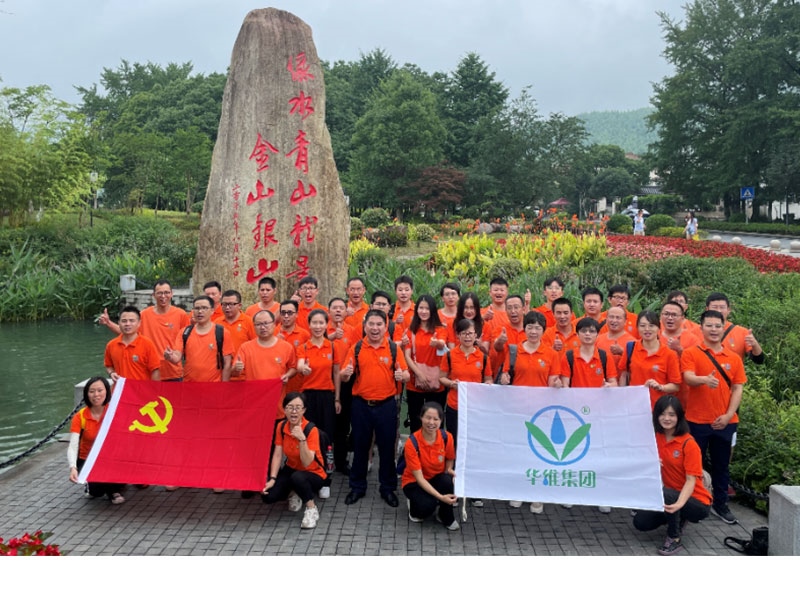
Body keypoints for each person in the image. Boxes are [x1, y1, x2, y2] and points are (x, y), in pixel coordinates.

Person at [681, 309, 746, 525]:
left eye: (718, 326)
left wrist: (728, 415)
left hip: (725, 422)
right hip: (696, 420)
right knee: (692, 466)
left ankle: (720, 504)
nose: (714, 329)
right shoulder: (691, 353)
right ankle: (693, 503)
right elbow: (688, 377)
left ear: (723, 327)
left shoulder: (733, 358)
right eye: (709, 325)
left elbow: (737, 388)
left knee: (721, 466)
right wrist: (704, 380)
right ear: (701, 328)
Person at [340, 309, 410, 507]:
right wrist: (345, 374)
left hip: (386, 405)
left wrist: (402, 376)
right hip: (361, 405)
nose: (375, 328)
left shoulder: (393, 348)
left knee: (387, 448)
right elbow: (344, 375)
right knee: (360, 447)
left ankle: (387, 488)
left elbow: (406, 374)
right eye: (371, 324)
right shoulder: (357, 348)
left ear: (386, 326)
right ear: (365, 326)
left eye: (379, 324)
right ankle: (357, 487)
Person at [498, 309, 561, 514]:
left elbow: (553, 380)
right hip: (517, 410)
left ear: (544, 330)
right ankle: (519, 489)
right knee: (518, 450)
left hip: (541, 412)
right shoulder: (514, 351)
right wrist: (504, 379)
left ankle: (537, 493)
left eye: (538, 328)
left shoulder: (551, 354)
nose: (533, 331)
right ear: (524, 329)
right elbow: (506, 376)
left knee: (539, 452)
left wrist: (557, 384)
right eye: (530, 327)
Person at [633, 395, 712, 555]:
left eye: (671, 414)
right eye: (662, 414)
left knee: (668, 495)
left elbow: (691, 480)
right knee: (641, 522)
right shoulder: (655, 438)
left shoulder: (688, 444)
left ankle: (674, 538)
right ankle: (678, 517)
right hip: (669, 495)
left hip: (697, 501)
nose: (666, 418)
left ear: (679, 417)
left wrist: (679, 504)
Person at [560, 316, 617, 514]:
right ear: (577, 334)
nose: (587, 334)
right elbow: (565, 386)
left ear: (597, 334)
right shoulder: (569, 356)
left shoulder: (604, 356)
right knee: (574, 453)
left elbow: (613, 382)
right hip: (575, 414)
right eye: (584, 331)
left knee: (599, 454)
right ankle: (572, 492)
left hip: (599, 414)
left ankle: (601, 494)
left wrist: (609, 386)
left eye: (592, 331)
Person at [98, 280, 190, 381]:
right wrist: (109, 323)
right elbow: (127, 332)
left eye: (166, 292)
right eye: (159, 293)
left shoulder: (181, 315)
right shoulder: (144, 315)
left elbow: (188, 340)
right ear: (153, 295)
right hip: (148, 373)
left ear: (172, 294)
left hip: (173, 372)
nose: (163, 296)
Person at [261, 392, 327, 529]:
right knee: (268, 496)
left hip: (313, 472)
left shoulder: (311, 430)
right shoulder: (281, 426)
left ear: (304, 410)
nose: (294, 411)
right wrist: (272, 478)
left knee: (298, 477)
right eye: (290, 407)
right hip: (291, 468)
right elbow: (277, 454)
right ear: (284, 409)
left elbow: (307, 462)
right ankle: (295, 492)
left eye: (298, 407)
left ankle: (311, 508)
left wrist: (302, 439)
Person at [401, 403, 459, 530]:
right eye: (428, 418)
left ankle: (445, 516)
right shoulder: (412, 443)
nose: (431, 422)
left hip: (435, 477)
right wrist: (441, 497)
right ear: (421, 418)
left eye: (436, 419)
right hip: (415, 481)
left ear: (441, 421)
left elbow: (450, 458)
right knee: (426, 507)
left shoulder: (447, 437)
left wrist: (449, 469)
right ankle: (414, 507)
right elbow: (420, 479)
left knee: (448, 481)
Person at [68, 377, 125, 504]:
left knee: (115, 481)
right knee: (96, 492)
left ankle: (113, 491)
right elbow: (73, 446)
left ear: (107, 392)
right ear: (86, 394)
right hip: (89, 459)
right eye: (92, 391)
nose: (96, 395)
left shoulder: (115, 411)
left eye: (100, 390)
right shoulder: (80, 417)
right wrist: (73, 467)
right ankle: (93, 485)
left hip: (111, 458)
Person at [403, 294, 448, 432]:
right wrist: (419, 374)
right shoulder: (411, 331)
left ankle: (437, 444)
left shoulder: (440, 329)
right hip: (414, 382)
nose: (423, 311)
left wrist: (437, 343)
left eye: (427, 308)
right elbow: (407, 355)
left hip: (436, 381)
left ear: (432, 310)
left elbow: (442, 344)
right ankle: (416, 444)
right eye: (421, 308)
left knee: (436, 418)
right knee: (415, 419)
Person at [619, 310, 681, 409]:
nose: (647, 329)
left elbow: (675, 386)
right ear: (637, 328)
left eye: (651, 326)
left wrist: (660, 387)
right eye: (642, 326)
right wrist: (622, 396)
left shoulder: (669, 354)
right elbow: (624, 374)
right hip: (634, 406)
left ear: (659, 328)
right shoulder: (631, 347)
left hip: (658, 408)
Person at [166, 295, 233, 383]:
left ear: (212, 311)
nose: (200, 311)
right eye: (197, 308)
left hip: (213, 386)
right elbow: (177, 357)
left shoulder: (222, 332)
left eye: (204, 308)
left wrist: (224, 387)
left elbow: (227, 363)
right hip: (189, 386)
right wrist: (170, 356)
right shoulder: (185, 332)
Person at [103, 306, 161, 382]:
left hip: (141, 388)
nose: (127, 324)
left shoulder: (147, 344)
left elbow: (155, 370)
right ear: (119, 323)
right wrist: (111, 373)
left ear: (139, 323)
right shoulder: (111, 345)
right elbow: (108, 365)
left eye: (132, 321)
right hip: (120, 387)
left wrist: (154, 388)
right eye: (124, 321)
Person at [704, 292, 764, 364]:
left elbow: (758, 360)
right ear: (707, 309)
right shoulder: (697, 331)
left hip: (732, 371)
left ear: (728, 310)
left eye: (722, 307)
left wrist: (755, 344)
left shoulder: (742, 332)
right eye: (714, 307)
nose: (719, 311)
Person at [214, 289, 256, 382]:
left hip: (244, 375)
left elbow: (256, 346)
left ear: (239, 305)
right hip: (223, 375)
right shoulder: (217, 323)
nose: (227, 307)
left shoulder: (249, 322)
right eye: (224, 304)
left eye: (231, 304)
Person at [596, 305, 636, 376]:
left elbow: (638, 364)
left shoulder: (632, 343)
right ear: (606, 319)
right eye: (611, 317)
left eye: (618, 318)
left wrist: (623, 352)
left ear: (625, 321)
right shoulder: (597, 339)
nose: (614, 320)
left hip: (623, 381)